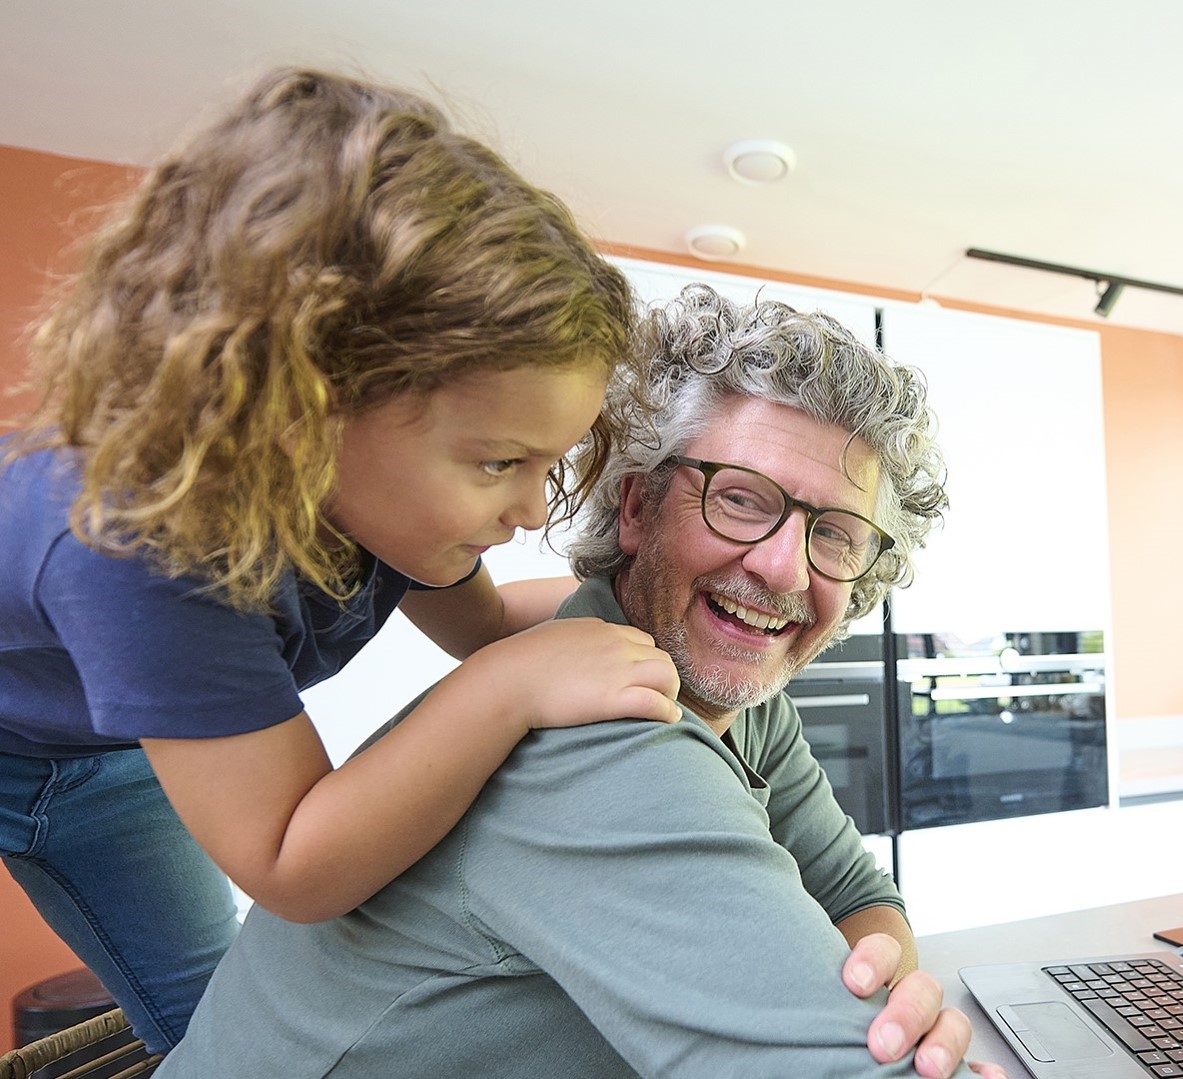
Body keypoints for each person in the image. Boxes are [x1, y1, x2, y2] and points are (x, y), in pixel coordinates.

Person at [0, 66, 688, 1055]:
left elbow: (490, 626)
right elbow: (292, 858)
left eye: (547, 464)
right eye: (499, 462)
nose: (529, 508)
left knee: (233, 1014)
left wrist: (659, 606)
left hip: (117, 725)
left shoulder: (393, 512)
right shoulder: (137, 548)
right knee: (227, 1034)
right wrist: (506, 690)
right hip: (36, 753)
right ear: (303, 404)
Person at [156, 285, 991, 1077]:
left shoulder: (729, 691)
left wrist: (877, 966)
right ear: (636, 510)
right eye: (740, 499)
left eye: (837, 535)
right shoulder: (611, 748)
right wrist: (869, 1020)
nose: (782, 566)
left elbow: (853, 888)